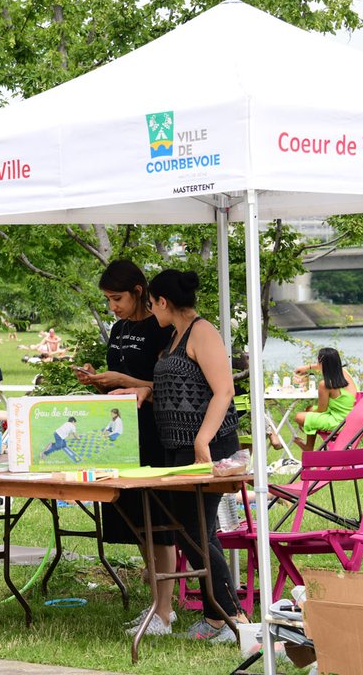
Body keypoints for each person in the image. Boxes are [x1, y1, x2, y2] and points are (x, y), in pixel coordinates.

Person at [74, 259, 177, 636]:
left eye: (117, 298)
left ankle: (165, 612)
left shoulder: (160, 326)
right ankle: (156, 604)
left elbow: (163, 380)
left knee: (159, 525)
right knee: (138, 526)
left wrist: (125, 379)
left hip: (154, 433)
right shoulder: (118, 329)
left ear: (138, 291)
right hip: (120, 434)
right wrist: (99, 380)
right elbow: (119, 385)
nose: (113, 307)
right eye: (107, 300)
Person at [146, 268, 245, 642]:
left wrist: (203, 441)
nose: (152, 311)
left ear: (163, 301)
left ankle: (227, 616)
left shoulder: (202, 332)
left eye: (152, 304)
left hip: (206, 447)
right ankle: (220, 614)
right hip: (177, 447)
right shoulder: (173, 337)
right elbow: (176, 386)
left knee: (195, 531)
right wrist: (138, 388)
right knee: (195, 531)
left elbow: (224, 391)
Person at [274, 347, 357, 451]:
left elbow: (321, 410)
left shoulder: (325, 384)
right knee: (309, 410)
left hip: (337, 421)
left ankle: (308, 447)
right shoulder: (344, 374)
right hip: (349, 419)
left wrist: (306, 414)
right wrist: (307, 367)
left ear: (321, 362)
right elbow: (323, 365)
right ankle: (309, 445)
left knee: (299, 416)